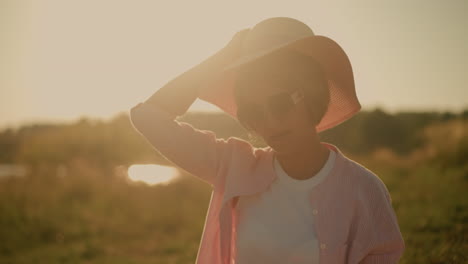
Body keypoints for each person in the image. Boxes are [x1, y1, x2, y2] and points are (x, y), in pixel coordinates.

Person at [129, 17, 405, 264]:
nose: (268, 123)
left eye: (280, 104)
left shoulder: (364, 190)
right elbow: (148, 118)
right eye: (253, 113)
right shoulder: (233, 166)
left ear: (313, 97)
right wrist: (220, 58)